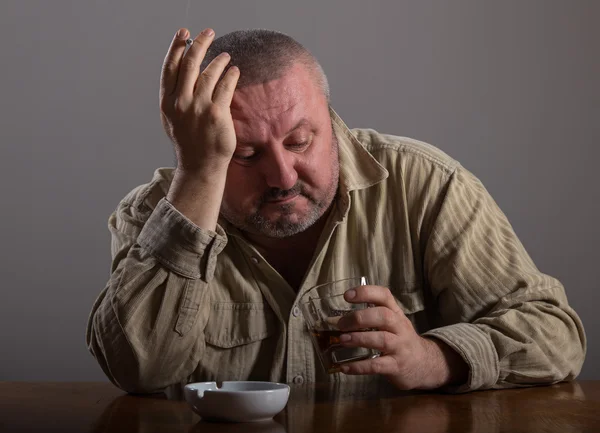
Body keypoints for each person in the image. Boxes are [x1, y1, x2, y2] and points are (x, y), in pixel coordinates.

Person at [86, 27, 586, 395]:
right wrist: (198, 174)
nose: (282, 176)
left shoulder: (426, 185)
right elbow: (137, 369)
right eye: (244, 153)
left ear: (332, 120)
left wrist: (432, 359)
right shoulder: (154, 214)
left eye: (300, 140)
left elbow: (555, 335)